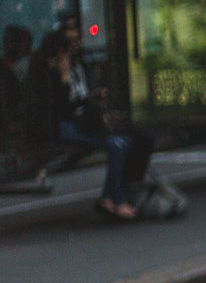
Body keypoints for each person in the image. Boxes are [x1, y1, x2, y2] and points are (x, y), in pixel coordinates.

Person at [33, 28, 153, 222]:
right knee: (117, 145)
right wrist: (64, 81)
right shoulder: (51, 75)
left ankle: (109, 197)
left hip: (84, 122)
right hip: (69, 125)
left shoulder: (79, 67)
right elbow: (63, 108)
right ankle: (117, 199)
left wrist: (92, 98)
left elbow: (81, 98)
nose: (74, 48)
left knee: (125, 141)